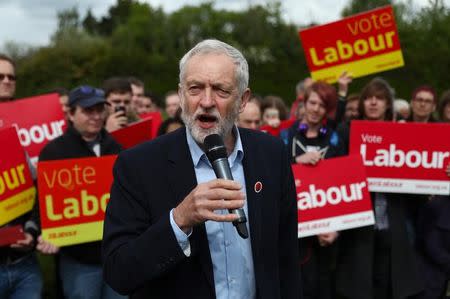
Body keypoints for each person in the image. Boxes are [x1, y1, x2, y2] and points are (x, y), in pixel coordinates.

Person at [102, 39, 300, 299]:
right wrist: (179, 220)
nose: (206, 101)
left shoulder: (272, 154)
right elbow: (119, 272)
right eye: (195, 89)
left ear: (243, 100)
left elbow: (286, 259)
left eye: (220, 90)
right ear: (182, 95)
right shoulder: (138, 165)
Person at [335, 77, 423, 299]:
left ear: (387, 104)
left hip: (391, 226)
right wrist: (342, 93)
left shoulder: (401, 133)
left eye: (380, 98)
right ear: (363, 103)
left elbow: (422, 168)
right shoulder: (348, 131)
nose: (373, 102)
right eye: (369, 98)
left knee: (388, 285)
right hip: (358, 227)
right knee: (360, 286)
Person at [36, 85, 124, 299]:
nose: (95, 116)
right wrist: (45, 232)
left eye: (99, 110)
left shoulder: (118, 147)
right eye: (87, 111)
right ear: (70, 113)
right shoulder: (54, 152)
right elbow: (44, 203)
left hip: (116, 255)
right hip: (78, 261)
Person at [286, 81, 344, 299]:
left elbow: (345, 183)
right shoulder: (286, 136)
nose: (315, 109)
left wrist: (336, 229)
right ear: (304, 102)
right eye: (312, 102)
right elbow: (273, 173)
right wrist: (296, 160)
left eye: (322, 105)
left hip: (325, 233)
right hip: (293, 229)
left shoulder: (335, 138)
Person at [0, 53, 43, 299]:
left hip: (24, 262)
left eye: (11, 76)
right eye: (0, 76)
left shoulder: (31, 126)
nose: (7, 81)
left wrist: (32, 231)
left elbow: (39, 190)